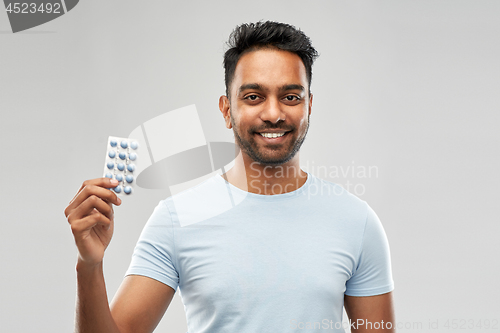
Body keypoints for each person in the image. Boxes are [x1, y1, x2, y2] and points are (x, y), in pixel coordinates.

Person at [65, 21, 395, 333]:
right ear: (226, 110)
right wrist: (89, 266)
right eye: (253, 97)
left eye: (290, 97)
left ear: (309, 106)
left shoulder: (356, 221)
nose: (273, 113)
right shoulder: (177, 219)